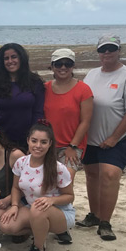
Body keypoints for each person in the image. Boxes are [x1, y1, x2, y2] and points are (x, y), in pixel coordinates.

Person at [76, 35, 126, 241]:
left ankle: (105, 222)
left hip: (119, 139)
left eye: (111, 49)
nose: (107, 53)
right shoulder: (92, 74)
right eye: (103, 49)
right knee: (92, 175)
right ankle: (94, 215)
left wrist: (114, 138)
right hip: (92, 138)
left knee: (110, 174)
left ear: (119, 50)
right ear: (98, 52)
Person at [0, 122, 76, 251]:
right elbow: (16, 188)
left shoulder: (58, 168)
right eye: (34, 141)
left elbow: (70, 196)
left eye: (43, 142)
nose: (38, 146)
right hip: (34, 209)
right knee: (6, 225)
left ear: (50, 144)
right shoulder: (21, 162)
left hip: (60, 212)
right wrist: (15, 205)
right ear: (28, 140)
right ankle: (39, 230)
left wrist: (52, 200)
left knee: (38, 207)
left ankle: (39, 249)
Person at [0, 43, 45, 151]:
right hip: (1, 139)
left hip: (28, 139)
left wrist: (34, 138)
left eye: (14, 57)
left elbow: (38, 112)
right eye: (6, 58)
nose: (10, 61)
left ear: (21, 58)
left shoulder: (35, 82)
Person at [44, 48, 93, 181]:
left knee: (64, 181)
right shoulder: (45, 88)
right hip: (46, 145)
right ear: (52, 66)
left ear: (73, 66)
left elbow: (86, 121)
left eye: (68, 64)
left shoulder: (83, 89)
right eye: (59, 64)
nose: (63, 67)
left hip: (71, 146)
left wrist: (73, 146)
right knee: (45, 183)